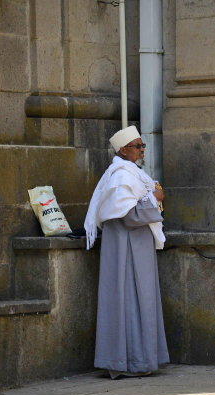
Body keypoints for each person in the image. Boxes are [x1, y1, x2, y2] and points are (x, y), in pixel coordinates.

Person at [84, 125, 170, 379]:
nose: (142, 150)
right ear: (123, 149)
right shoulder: (121, 175)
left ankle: (141, 360)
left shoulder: (131, 173)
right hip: (126, 247)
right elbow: (130, 215)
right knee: (129, 300)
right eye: (137, 146)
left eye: (143, 146)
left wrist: (152, 197)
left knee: (140, 300)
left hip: (136, 245)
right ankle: (126, 361)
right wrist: (155, 197)